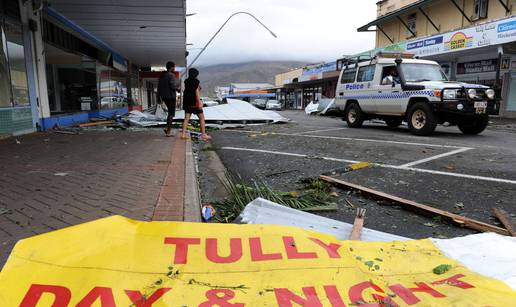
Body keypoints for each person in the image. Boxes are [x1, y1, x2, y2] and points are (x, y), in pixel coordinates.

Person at [181, 68, 211, 141]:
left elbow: (186, 91)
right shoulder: (196, 81)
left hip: (187, 102)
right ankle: (203, 134)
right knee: (201, 118)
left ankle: (183, 134)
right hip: (194, 102)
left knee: (186, 118)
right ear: (196, 74)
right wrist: (199, 102)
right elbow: (196, 92)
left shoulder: (186, 81)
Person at [157, 61, 179, 136]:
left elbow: (159, 88)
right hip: (171, 97)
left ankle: (167, 129)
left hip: (164, 97)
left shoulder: (162, 76)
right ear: (171, 67)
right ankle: (168, 132)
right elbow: (172, 86)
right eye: (174, 67)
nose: (174, 68)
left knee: (169, 113)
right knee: (171, 114)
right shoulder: (171, 75)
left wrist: (158, 98)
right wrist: (178, 88)